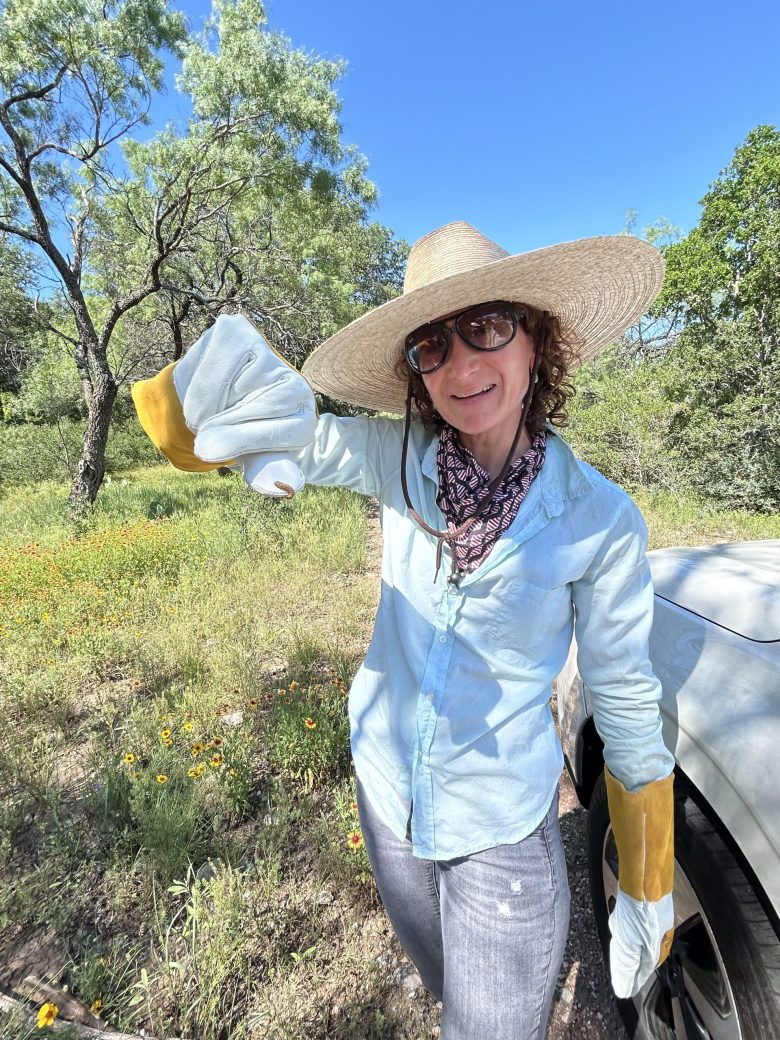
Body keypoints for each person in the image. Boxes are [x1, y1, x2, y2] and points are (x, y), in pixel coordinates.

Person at [133, 221, 676, 1040]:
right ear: (418, 373)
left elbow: (626, 697)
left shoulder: (600, 522)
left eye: (488, 327)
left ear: (539, 343)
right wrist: (188, 402)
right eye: (432, 345)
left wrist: (646, 875)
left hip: (499, 833)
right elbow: (271, 433)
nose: (462, 364)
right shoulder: (400, 460)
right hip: (387, 795)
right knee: (443, 985)